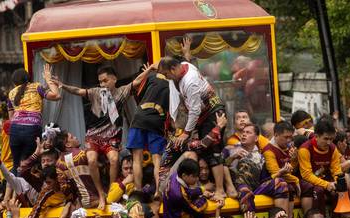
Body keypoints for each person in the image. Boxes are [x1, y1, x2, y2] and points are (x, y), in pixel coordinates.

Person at [57, 64, 156, 208]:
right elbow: (78, 91)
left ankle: (110, 191)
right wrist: (62, 85)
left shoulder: (122, 92)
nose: (102, 84)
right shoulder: (96, 92)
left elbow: (136, 81)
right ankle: (101, 195)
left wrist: (148, 70)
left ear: (114, 79)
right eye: (100, 81)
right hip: (94, 136)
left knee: (115, 159)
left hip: (112, 137)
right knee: (91, 159)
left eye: (105, 80)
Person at [158, 56, 227, 201]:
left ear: (173, 69)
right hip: (168, 185)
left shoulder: (189, 81)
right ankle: (203, 189)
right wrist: (217, 128)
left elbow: (194, 111)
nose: (166, 78)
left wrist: (187, 132)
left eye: (166, 75)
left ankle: (220, 189)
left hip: (211, 112)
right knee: (201, 152)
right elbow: (201, 144)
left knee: (214, 151)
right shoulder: (183, 66)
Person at [7, 64, 61, 174]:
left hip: (15, 130)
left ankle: (11, 191)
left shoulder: (11, 93)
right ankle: (23, 191)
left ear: (14, 82)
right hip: (31, 129)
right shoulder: (36, 87)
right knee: (27, 164)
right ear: (28, 78)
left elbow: (11, 118)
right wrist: (48, 79)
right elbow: (56, 95)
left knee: (16, 165)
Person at [224, 124, 289, 214]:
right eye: (243, 132)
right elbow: (220, 166)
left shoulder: (261, 157)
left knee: (281, 183)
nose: (244, 134)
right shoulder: (229, 149)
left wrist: (279, 173)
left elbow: (264, 180)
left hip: (255, 189)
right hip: (237, 187)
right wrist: (233, 157)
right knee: (246, 191)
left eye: (248, 132)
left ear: (256, 138)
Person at [127, 68, 170, 197]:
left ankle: (138, 190)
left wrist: (148, 70)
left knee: (137, 159)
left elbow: (137, 91)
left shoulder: (151, 78)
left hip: (139, 117)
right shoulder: (173, 85)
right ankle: (158, 191)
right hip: (157, 119)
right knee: (157, 160)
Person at [298, 120, 342, 214]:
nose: (329, 142)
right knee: (319, 191)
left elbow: (336, 169)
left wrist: (338, 182)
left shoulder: (333, 148)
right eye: (326, 139)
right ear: (316, 136)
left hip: (325, 179)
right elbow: (306, 175)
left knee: (340, 189)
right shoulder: (305, 149)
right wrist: (326, 185)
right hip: (308, 181)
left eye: (331, 139)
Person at [263, 121, 299, 218]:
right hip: (267, 183)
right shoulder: (268, 150)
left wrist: (294, 160)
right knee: (283, 183)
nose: (288, 140)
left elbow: (292, 170)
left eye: (290, 137)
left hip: (286, 182)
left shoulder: (290, 148)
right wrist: (295, 180)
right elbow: (275, 174)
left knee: (308, 186)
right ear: (276, 135)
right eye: (286, 137)